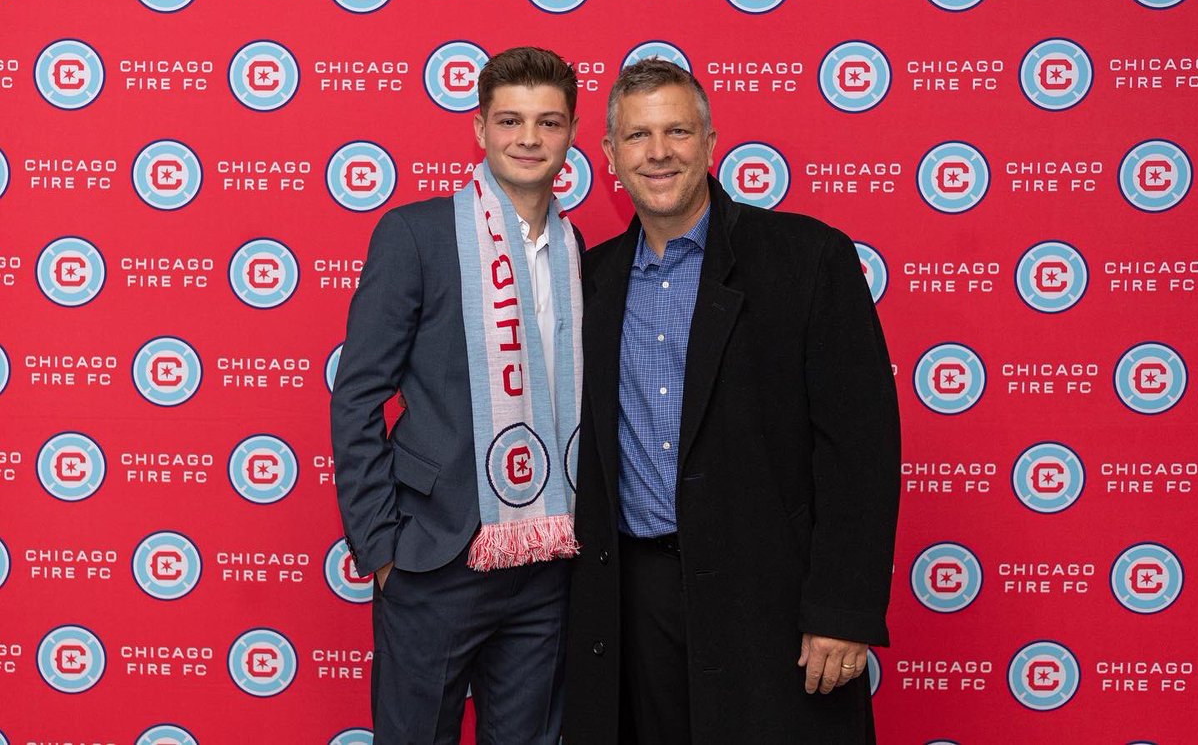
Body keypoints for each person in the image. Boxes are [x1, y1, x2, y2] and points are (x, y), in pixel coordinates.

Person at [564, 59, 901, 744]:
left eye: (677, 131)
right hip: (637, 606)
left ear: (712, 142)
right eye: (638, 137)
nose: (658, 153)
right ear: (609, 156)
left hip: (772, 600)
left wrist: (843, 607)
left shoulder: (806, 259)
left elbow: (859, 448)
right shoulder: (587, 281)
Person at [331, 46, 585, 744]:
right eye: (509, 120)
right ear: (479, 129)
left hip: (547, 566)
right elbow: (356, 395)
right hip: (433, 556)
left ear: (571, 134)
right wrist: (382, 548)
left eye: (548, 121)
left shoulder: (575, 248)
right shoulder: (416, 234)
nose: (528, 138)